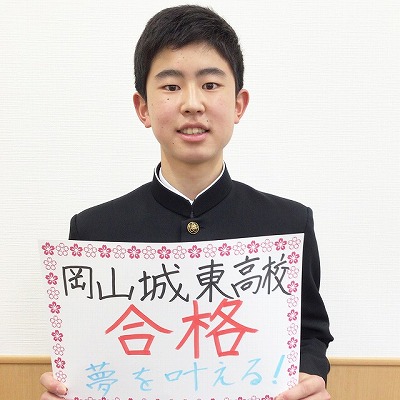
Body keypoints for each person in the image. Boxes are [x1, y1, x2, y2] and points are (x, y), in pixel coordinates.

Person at [40, 5, 333, 400]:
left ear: (238, 104)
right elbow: (88, 346)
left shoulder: (288, 224)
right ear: (143, 107)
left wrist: (309, 380)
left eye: (210, 84)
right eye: (171, 86)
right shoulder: (95, 231)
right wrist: (66, 388)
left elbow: (310, 333)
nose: (192, 103)